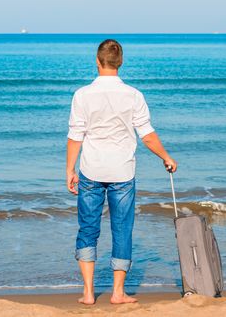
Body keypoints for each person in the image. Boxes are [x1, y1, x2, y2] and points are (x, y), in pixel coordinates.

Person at [66, 39, 177, 305]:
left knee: (88, 229)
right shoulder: (133, 95)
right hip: (122, 173)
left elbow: (75, 136)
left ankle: (89, 293)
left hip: (91, 170)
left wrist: (70, 169)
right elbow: (147, 135)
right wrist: (166, 156)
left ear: (97, 60)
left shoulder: (82, 94)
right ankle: (117, 293)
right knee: (122, 230)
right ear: (121, 62)